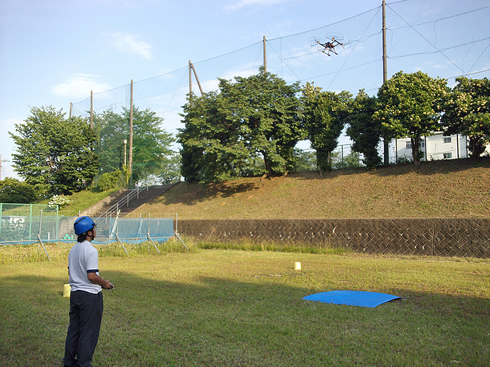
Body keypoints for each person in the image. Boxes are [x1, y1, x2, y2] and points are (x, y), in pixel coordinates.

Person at [64, 216, 114, 367]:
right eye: (94, 228)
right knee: (88, 332)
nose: (95, 230)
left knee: (74, 330)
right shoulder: (91, 250)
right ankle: (84, 364)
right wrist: (105, 283)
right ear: (90, 233)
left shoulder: (73, 249)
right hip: (90, 297)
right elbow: (91, 276)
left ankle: (69, 362)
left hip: (75, 294)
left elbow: (70, 271)